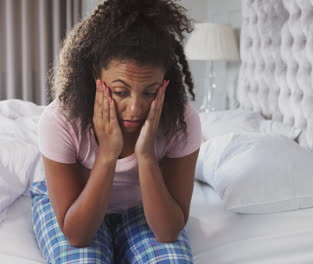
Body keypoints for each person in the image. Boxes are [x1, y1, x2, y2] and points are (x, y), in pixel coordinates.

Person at [29, 0, 201, 263]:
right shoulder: (61, 120)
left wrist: (145, 156)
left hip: (143, 206)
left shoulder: (181, 120)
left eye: (150, 92)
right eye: (120, 92)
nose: (135, 108)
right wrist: (108, 155)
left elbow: (167, 232)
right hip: (78, 208)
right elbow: (78, 236)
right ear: (94, 76)